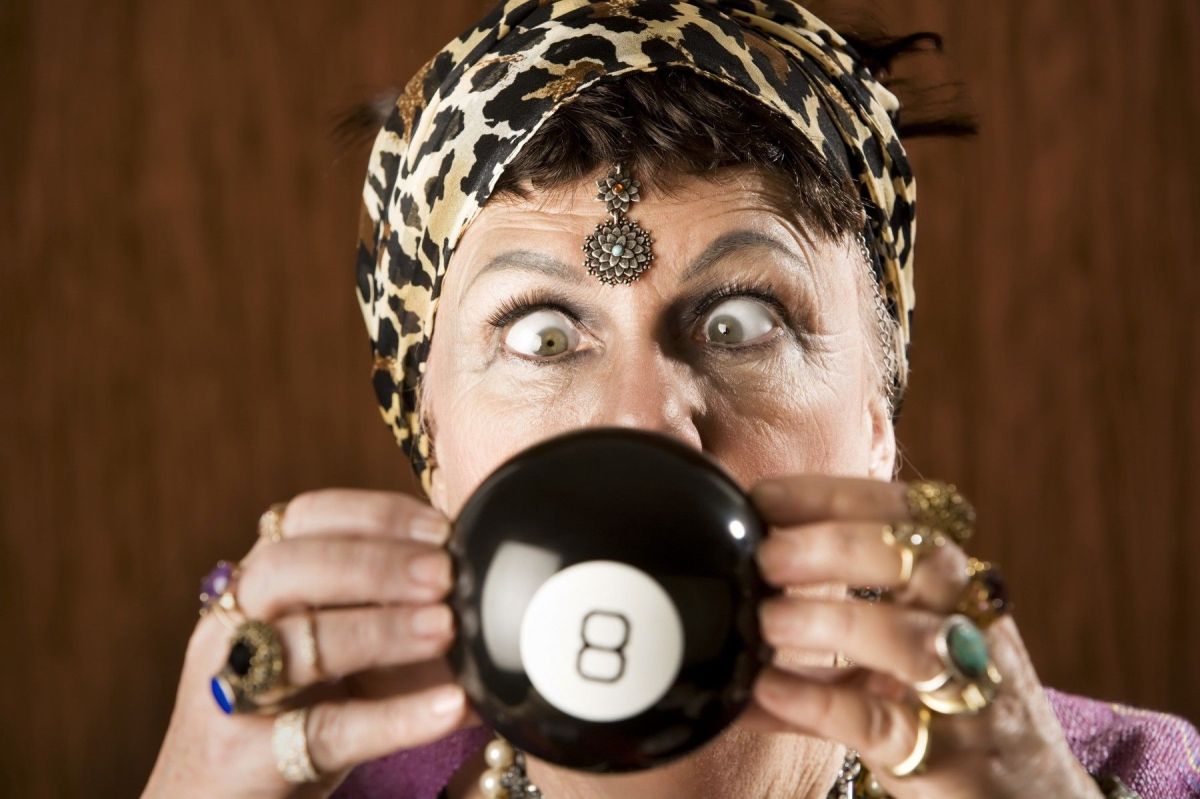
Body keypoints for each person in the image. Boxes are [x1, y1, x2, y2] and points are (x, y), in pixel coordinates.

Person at [142, 1, 1200, 797]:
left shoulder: (1125, 778)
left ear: (878, 424)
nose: (645, 422)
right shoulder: (334, 786)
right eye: (541, 335)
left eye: (743, 322)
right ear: (437, 450)